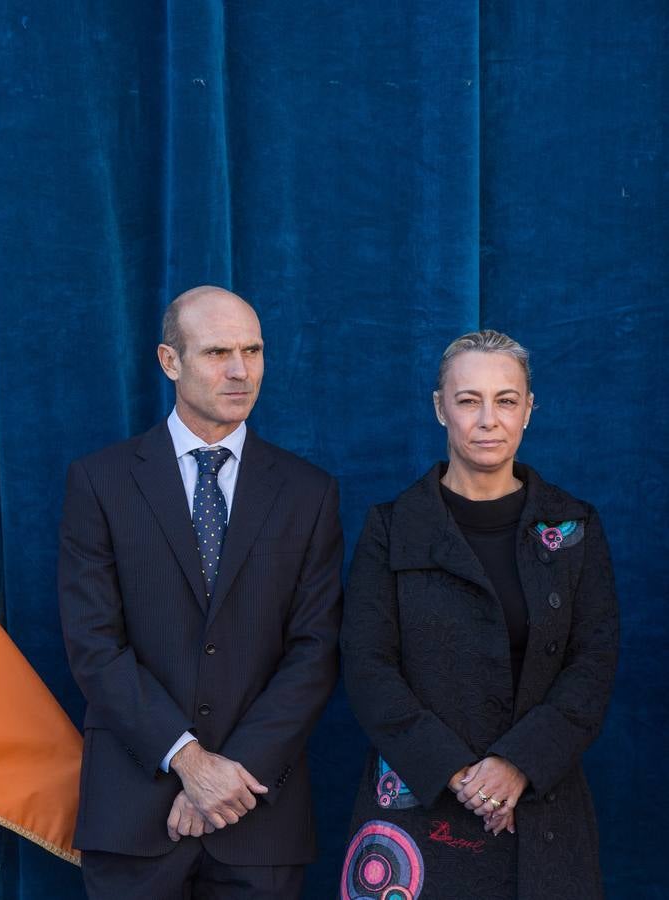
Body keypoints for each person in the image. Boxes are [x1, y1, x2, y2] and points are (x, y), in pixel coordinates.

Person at [58, 285, 343, 898]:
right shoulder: (101, 482)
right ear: (169, 362)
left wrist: (230, 780)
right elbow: (93, 645)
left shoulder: (308, 492)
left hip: (258, 815)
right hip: (135, 815)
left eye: (254, 350)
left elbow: (315, 651)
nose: (241, 371)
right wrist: (189, 761)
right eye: (217, 352)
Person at [339, 330, 619, 899]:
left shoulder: (574, 527)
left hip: (543, 811)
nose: (488, 419)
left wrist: (517, 763)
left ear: (529, 410)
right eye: (469, 400)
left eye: (506, 400)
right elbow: (367, 667)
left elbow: (594, 662)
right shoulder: (391, 529)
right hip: (419, 813)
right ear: (440, 408)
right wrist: (457, 773)